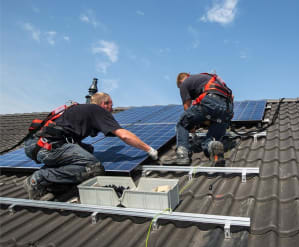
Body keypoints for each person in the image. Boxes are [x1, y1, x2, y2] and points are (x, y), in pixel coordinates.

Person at [24, 92, 158, 200]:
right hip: (48, 146)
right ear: (105, 104)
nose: (112, 110)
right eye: (111, 106)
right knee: (93, 167)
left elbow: (108, 132)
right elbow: (124, 135)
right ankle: (40, 178)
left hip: (36, 145)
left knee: (88, 149)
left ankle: (54, 183)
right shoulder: (97, 109)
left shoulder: (83, 110)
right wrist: (149, 149)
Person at [175, 72, 234, 165]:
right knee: (211, 139)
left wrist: (192, 125)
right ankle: (213, 149)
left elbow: (187, 108)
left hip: (211, 101)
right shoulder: (210, 79)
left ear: (180, 82)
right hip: (228, 108)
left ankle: (183, 154)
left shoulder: (184, 84)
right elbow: (231, 96)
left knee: (182, 122)